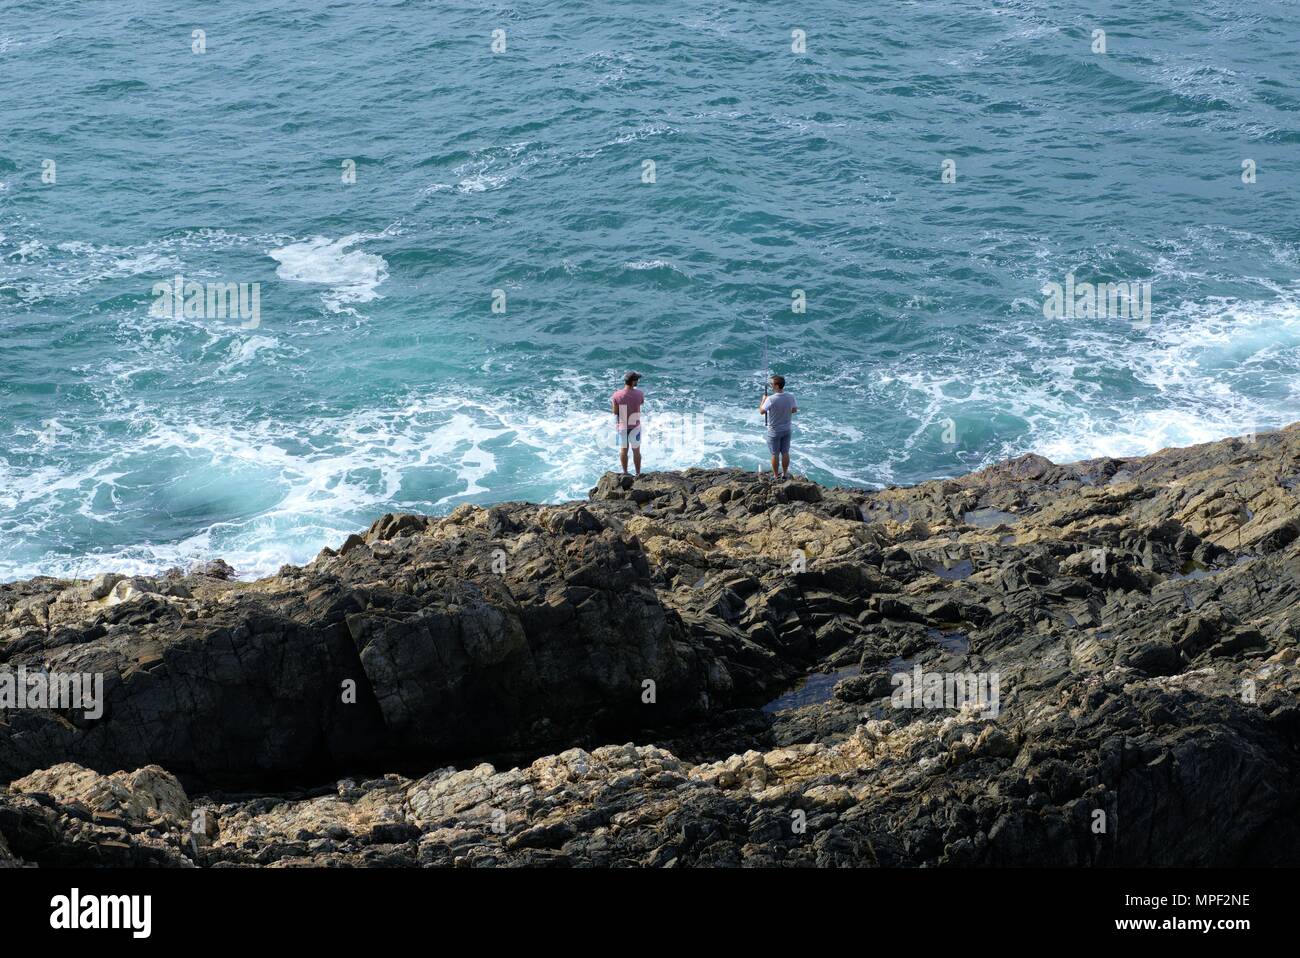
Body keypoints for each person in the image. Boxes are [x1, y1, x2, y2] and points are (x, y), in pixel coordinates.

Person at [759, 374, 797, 479]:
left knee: (775, 454)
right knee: (785, 452)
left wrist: (763, 399)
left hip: (774, 431)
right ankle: (784, 474)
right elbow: (794, 410)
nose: (771, 386)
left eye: (772, 384)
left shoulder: (770, 399)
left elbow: (762, 411)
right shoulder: (790, 396)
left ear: (776, 386)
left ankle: (775, 476)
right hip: (787, 429)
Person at [611, 371, 645, 476]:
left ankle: (625, 472)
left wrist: (618, 399)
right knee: (636, 451)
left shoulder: (616, 395)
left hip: (623, 426)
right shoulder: (640, 393)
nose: (638, 381)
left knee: (623, 450)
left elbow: (615, 412)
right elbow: (641, 402)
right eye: (637, 380)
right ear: (633, 381)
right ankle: (638, 473)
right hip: (635, 426)